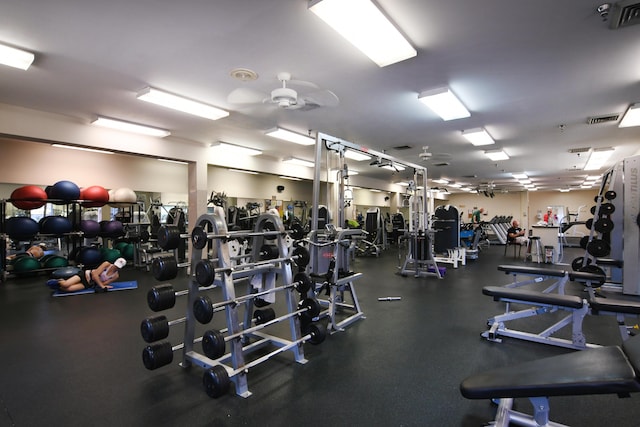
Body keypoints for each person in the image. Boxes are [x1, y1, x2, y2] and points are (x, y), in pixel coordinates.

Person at [47, 257, 126, 292]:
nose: (116, 268)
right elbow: (95, 275)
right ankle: (59, 281)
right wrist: (102, 286)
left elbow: (104, 283)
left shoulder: (115, 276)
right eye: (116, 266)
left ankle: (58, 287)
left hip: (89, 284)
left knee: (68, 289)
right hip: (85, 275)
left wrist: (103, 285)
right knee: (66, 284)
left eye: (118, 267)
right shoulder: (106, 264)